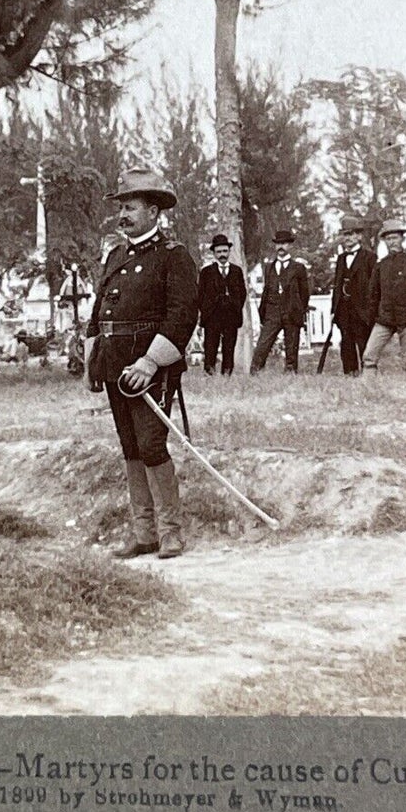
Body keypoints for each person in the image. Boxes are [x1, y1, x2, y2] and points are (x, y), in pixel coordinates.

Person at [85, 169, 198, 559]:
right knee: (129, 445)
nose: (123, 215)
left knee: (151, 444)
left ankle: (170, 533)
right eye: (121, 207)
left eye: (130, 207)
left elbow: (182, 316)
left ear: (153, 212)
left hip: (151, 368)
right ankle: (143, 533)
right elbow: (99, 310)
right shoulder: (116, 255)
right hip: (114, 364)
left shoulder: (173, 256)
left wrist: (151, 362)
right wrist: (92, 361)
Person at [362, 220, 406, 371]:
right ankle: (368, 388)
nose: (392, 242)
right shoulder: (381, 264)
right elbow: (373, 293)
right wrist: (372, 316)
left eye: (395, 238)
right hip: (385, 318)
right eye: (388, 239)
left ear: (402, 239)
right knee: (369, 355)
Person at [250, 228, 310, 373]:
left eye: (284, 243)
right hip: (272, 312)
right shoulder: (269, 267)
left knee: (291, 348)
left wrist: (299, 309)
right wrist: (265, 311)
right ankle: (255, 373)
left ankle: (290, 374)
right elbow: (267, 289)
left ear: (290, 245)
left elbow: (304, 293)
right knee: (262, 345)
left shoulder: (298, 267)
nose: (281, 247)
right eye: (278, 244)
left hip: (291, 311)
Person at [197, 233, 248, 376]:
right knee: (210, 347)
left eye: (225, 251)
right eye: (219, 252)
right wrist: (208, 309)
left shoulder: (236, 271)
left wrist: (235, 306)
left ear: (229, 252)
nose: (222, 255)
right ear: (214, 253)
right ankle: (209, 375)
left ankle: (227, 375)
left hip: (231, 316)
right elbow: (200, 295)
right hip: (212, 317)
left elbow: (242, 293)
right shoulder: (206, 272)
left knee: (229, 348)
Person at [330, 217, 375, 376]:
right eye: (344, 234)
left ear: (359, 236)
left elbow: (374, 286)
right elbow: (337, 284)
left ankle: (368, 374)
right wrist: (333, 309)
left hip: (362, 310)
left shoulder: (369, 257)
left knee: (363, 342)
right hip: (344, 309)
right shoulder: (341, 259)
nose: (347, 238)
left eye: (350, 234)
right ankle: (350, 373)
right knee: (346, 342)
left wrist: (371, 310)